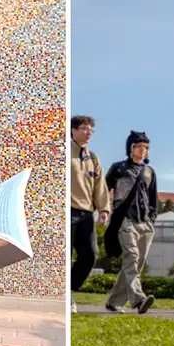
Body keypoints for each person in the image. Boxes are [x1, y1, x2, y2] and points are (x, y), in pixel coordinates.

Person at [103, 131, 158, 314]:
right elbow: (103, 190)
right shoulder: (118, 168)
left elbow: (153, 199)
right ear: (131, 147)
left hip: (145, 222)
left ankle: (113, 302)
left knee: (136, 262)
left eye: (146, 147)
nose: (143, 150)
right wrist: (104, 210)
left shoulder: (149, 172)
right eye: (139, 146)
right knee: (132, 256)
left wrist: (151, 219)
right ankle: (139, 300)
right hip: (124, 219)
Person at [69, 115, 110, 314]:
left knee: (90, 255)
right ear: (73, 130)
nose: (88, 133)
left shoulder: (93, 158)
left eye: (91, 130)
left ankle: (68, 290)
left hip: (86, 214)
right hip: (67, 211)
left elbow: (100, 186)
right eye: (84, 128)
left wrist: (104, 210)